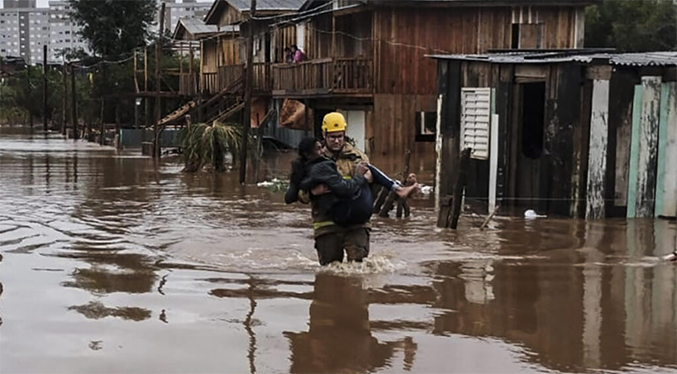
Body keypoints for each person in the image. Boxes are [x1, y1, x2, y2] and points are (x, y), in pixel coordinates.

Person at [285, 137, 416, 228]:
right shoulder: (321, 166)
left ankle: (398, 188)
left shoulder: (357, 156)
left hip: (355, 219)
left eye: (340, 136)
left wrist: (368, 180)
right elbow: (345, 188)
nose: (337, 140)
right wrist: (311, 194)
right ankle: (398, 188)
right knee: (331, 264)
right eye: (332, 137)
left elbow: (290, 196)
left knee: (356, 264)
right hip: (329, 219)